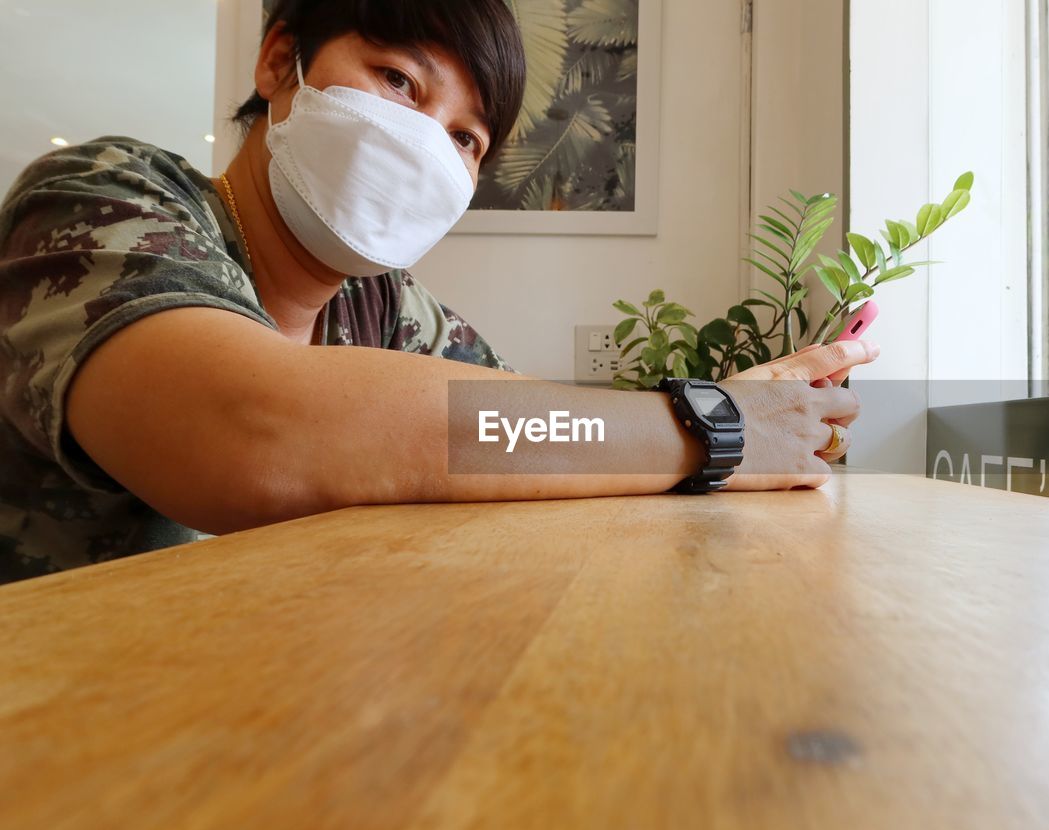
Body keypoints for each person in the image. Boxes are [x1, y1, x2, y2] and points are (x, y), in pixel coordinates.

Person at [0, 0, 877, 582]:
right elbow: (255, 429)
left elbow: (527, 440)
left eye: (466, 137)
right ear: (279, 64)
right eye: (397, 81)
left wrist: (736, 417)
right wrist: (703, 426)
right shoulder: (102, 196)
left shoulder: (384, 311)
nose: (426, 143)